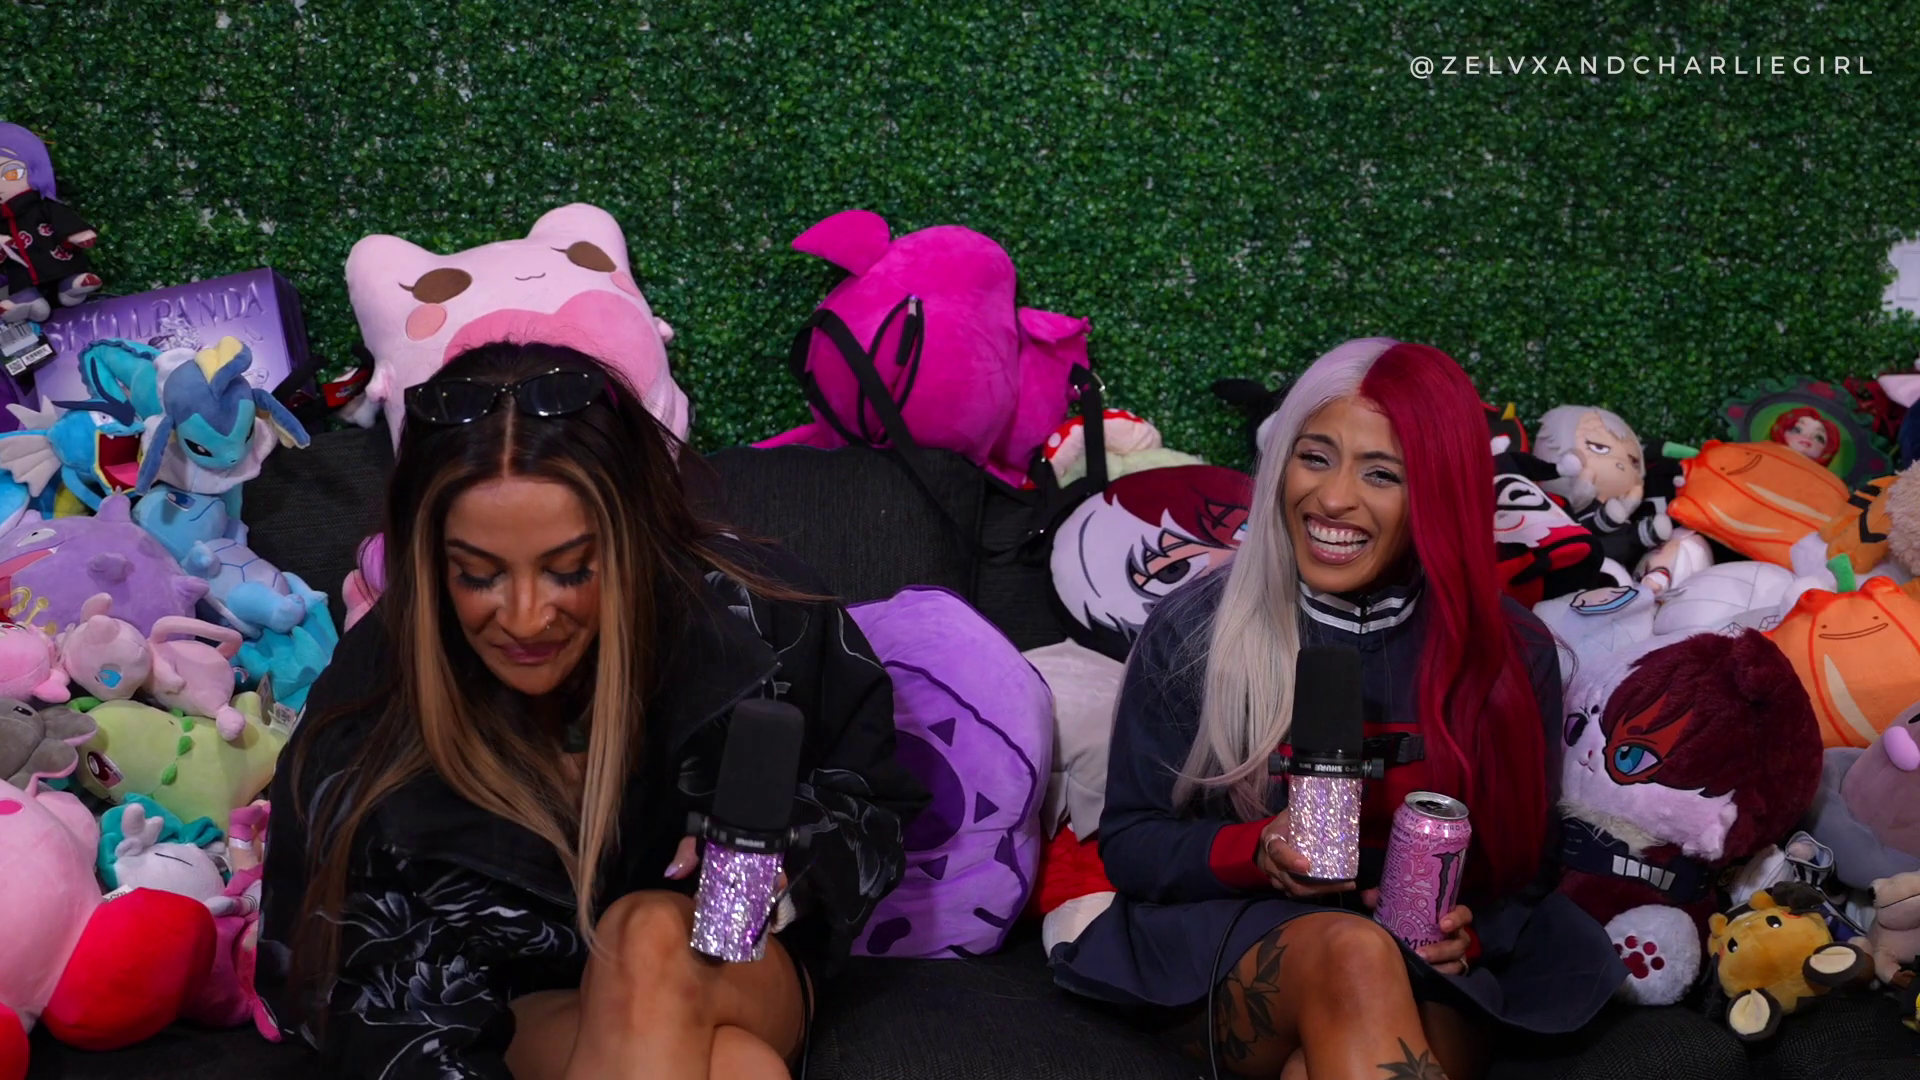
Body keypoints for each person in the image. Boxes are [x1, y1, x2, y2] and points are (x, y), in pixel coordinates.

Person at [256, 341, 928, 1080]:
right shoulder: (372, 700)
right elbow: (356, 991)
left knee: (649, 939)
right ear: (429, 562)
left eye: (569, 568)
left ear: (633, 537)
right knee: (739, 1069)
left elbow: (871, 800)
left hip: (731, 968)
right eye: (479, 576)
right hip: (508, 1012)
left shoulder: (754, 615)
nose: (526, 617)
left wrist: (783, 864)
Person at [1050, 338, 1626, 1080]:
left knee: (1340, 1028)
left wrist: (1470, 934)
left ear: (1439, 493)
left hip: (1427, 965)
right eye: (1315, 457)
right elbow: (1133, 842)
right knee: (1356, 954)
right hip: (1230, 935)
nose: (1331, 498)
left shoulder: (1514, 651)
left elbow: (1526, 863)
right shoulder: (1194, 630)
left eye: (1381, 473)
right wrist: (1258, 849)